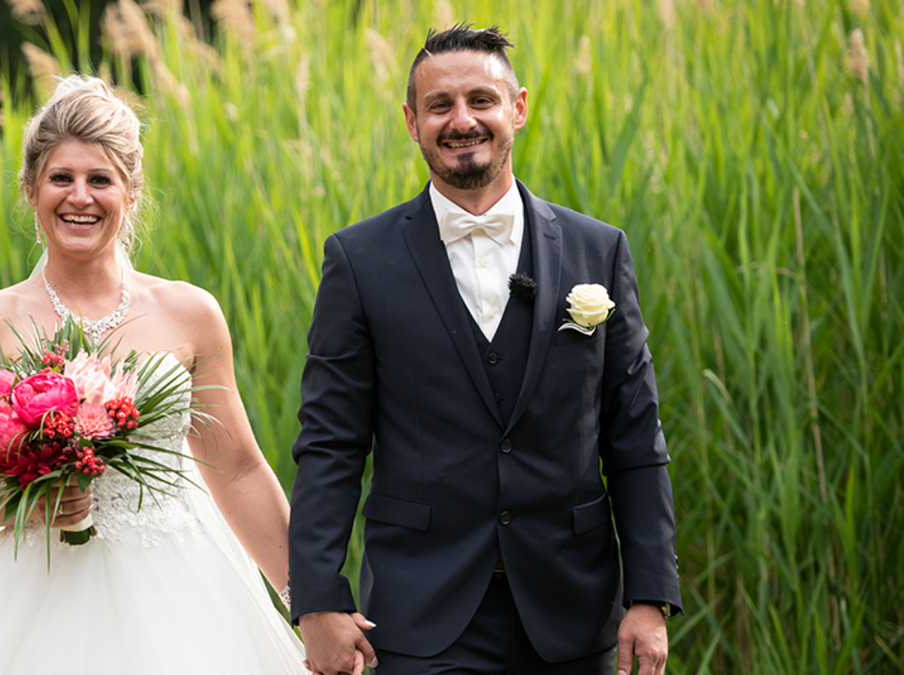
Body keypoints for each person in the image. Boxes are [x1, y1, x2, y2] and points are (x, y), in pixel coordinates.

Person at [0, 75, 308, 674]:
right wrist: (35, 499)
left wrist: (311, 604)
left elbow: (235, 470)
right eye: (61, 178)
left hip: (181, 592)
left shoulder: (191, 313)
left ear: (130, 192)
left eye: (100, 179)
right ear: (31, 189)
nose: (81, 197)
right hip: (27, 591)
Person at [288, 25, 681, 675]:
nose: (462, 120)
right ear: (412, 123)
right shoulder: (358, 261)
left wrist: (650, 595)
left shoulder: (598, 250)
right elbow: (331, 441)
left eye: (481, 100)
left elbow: (635, 436)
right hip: (420, 614)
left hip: (572, 610)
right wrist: (318, 598)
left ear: (518, 108)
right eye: (440, 106)